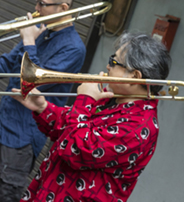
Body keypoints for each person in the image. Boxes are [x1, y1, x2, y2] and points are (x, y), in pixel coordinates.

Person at [12, 32, 171, 202]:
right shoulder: (113, 100)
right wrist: (42, 107)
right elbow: (70, 127)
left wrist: (85, 100)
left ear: (135, 76)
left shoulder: (139, 126)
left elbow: (76, 149)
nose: (108, 66)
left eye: (114, 62)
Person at [0, 0, 86, 202]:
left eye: (42, 4)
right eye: (36, 1)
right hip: (1, 127)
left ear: (63, 8)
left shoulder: (74, 48)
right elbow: (6, 64)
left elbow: (32, 83)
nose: (36, 8)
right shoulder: (41, 30)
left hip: (22, 139)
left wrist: (29, 41)